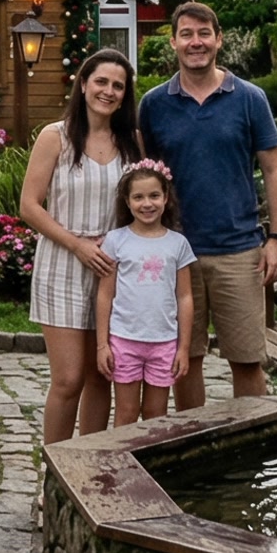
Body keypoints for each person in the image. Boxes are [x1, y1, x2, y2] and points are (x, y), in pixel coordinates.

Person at [137, 1, 277, 410]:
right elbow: (141, 176)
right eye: (186, 34)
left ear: (218, 40)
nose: (196, 42)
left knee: (246, 359)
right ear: (173, 42)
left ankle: (254, 444)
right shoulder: (153, 104)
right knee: (186, 359)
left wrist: (276, 238)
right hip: (175, 252)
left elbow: (274, 170)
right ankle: (196, 444)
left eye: (204, 34)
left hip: (238, 250)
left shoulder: (249, 98)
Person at [18, 50, 141, 442]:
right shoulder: (55, 137)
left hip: (113, 272)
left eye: (117, 86)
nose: (108, 91)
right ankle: (53, 476)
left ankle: (88, 474)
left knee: (100, 376)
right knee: (69, 379)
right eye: (101, 82)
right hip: (63, 265)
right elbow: (29, 206)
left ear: (125, 95)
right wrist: (77, 245)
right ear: (84, 84)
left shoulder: (131, 142)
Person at [93, 161, 197, 426]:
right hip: (124, 340)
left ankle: (150, 463)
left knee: (155, 413)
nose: (147, 204)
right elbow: (105, 295)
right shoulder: (116, 240)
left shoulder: (178, 244)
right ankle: (120, 462)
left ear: (166, 198)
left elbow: (185, 297)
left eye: (154, 196)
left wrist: (183, 348)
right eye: (138, 197)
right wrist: (102, 344)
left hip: (163, 342)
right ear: (127, 202)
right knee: (126, 413)